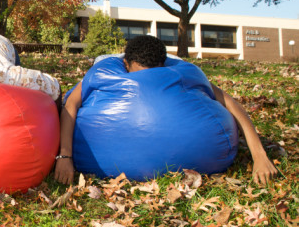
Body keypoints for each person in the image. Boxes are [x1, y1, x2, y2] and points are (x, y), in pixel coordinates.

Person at [55, 35, 278, 186]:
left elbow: (231, 103)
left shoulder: (185, 73)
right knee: (100, 60)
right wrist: (65, 156)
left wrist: (260, 156)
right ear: (126, 64)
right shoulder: (104, 71)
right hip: (107, 62)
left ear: (163, 66)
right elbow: (70, 104)